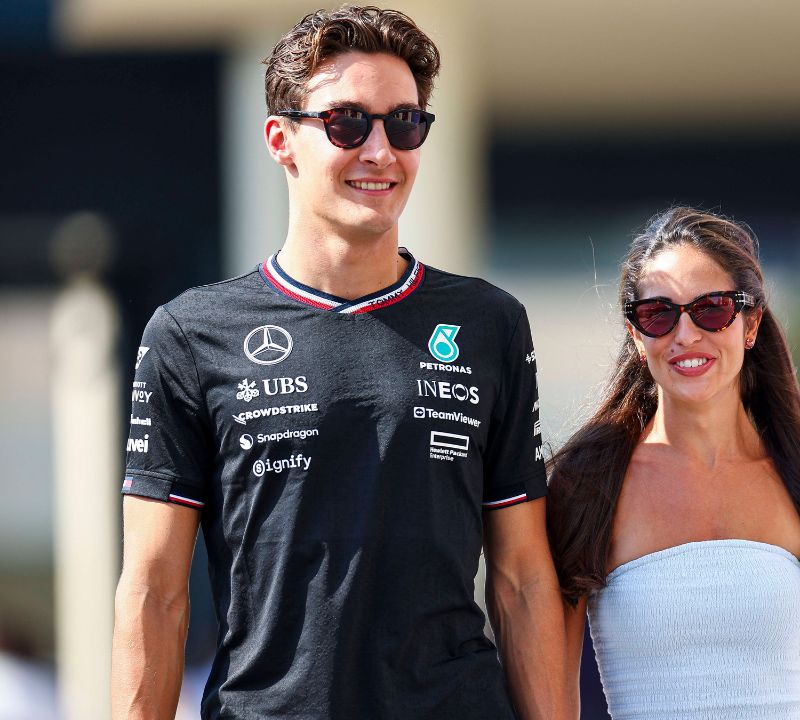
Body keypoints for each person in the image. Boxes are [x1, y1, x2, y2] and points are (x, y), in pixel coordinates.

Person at [111, 6, 564, 718]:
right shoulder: (189, 335)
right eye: (348, 123)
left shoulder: (490, 323)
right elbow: (153, 591)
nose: (380, 151)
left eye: (405, 123)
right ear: (281, 140)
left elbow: (523, 579)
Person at [548, 207, 800, 719]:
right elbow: (552, 697)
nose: (685, 335)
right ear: (636, 335)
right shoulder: (586, 487)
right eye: (658, 314)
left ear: (750, 323)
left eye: (712, 309)